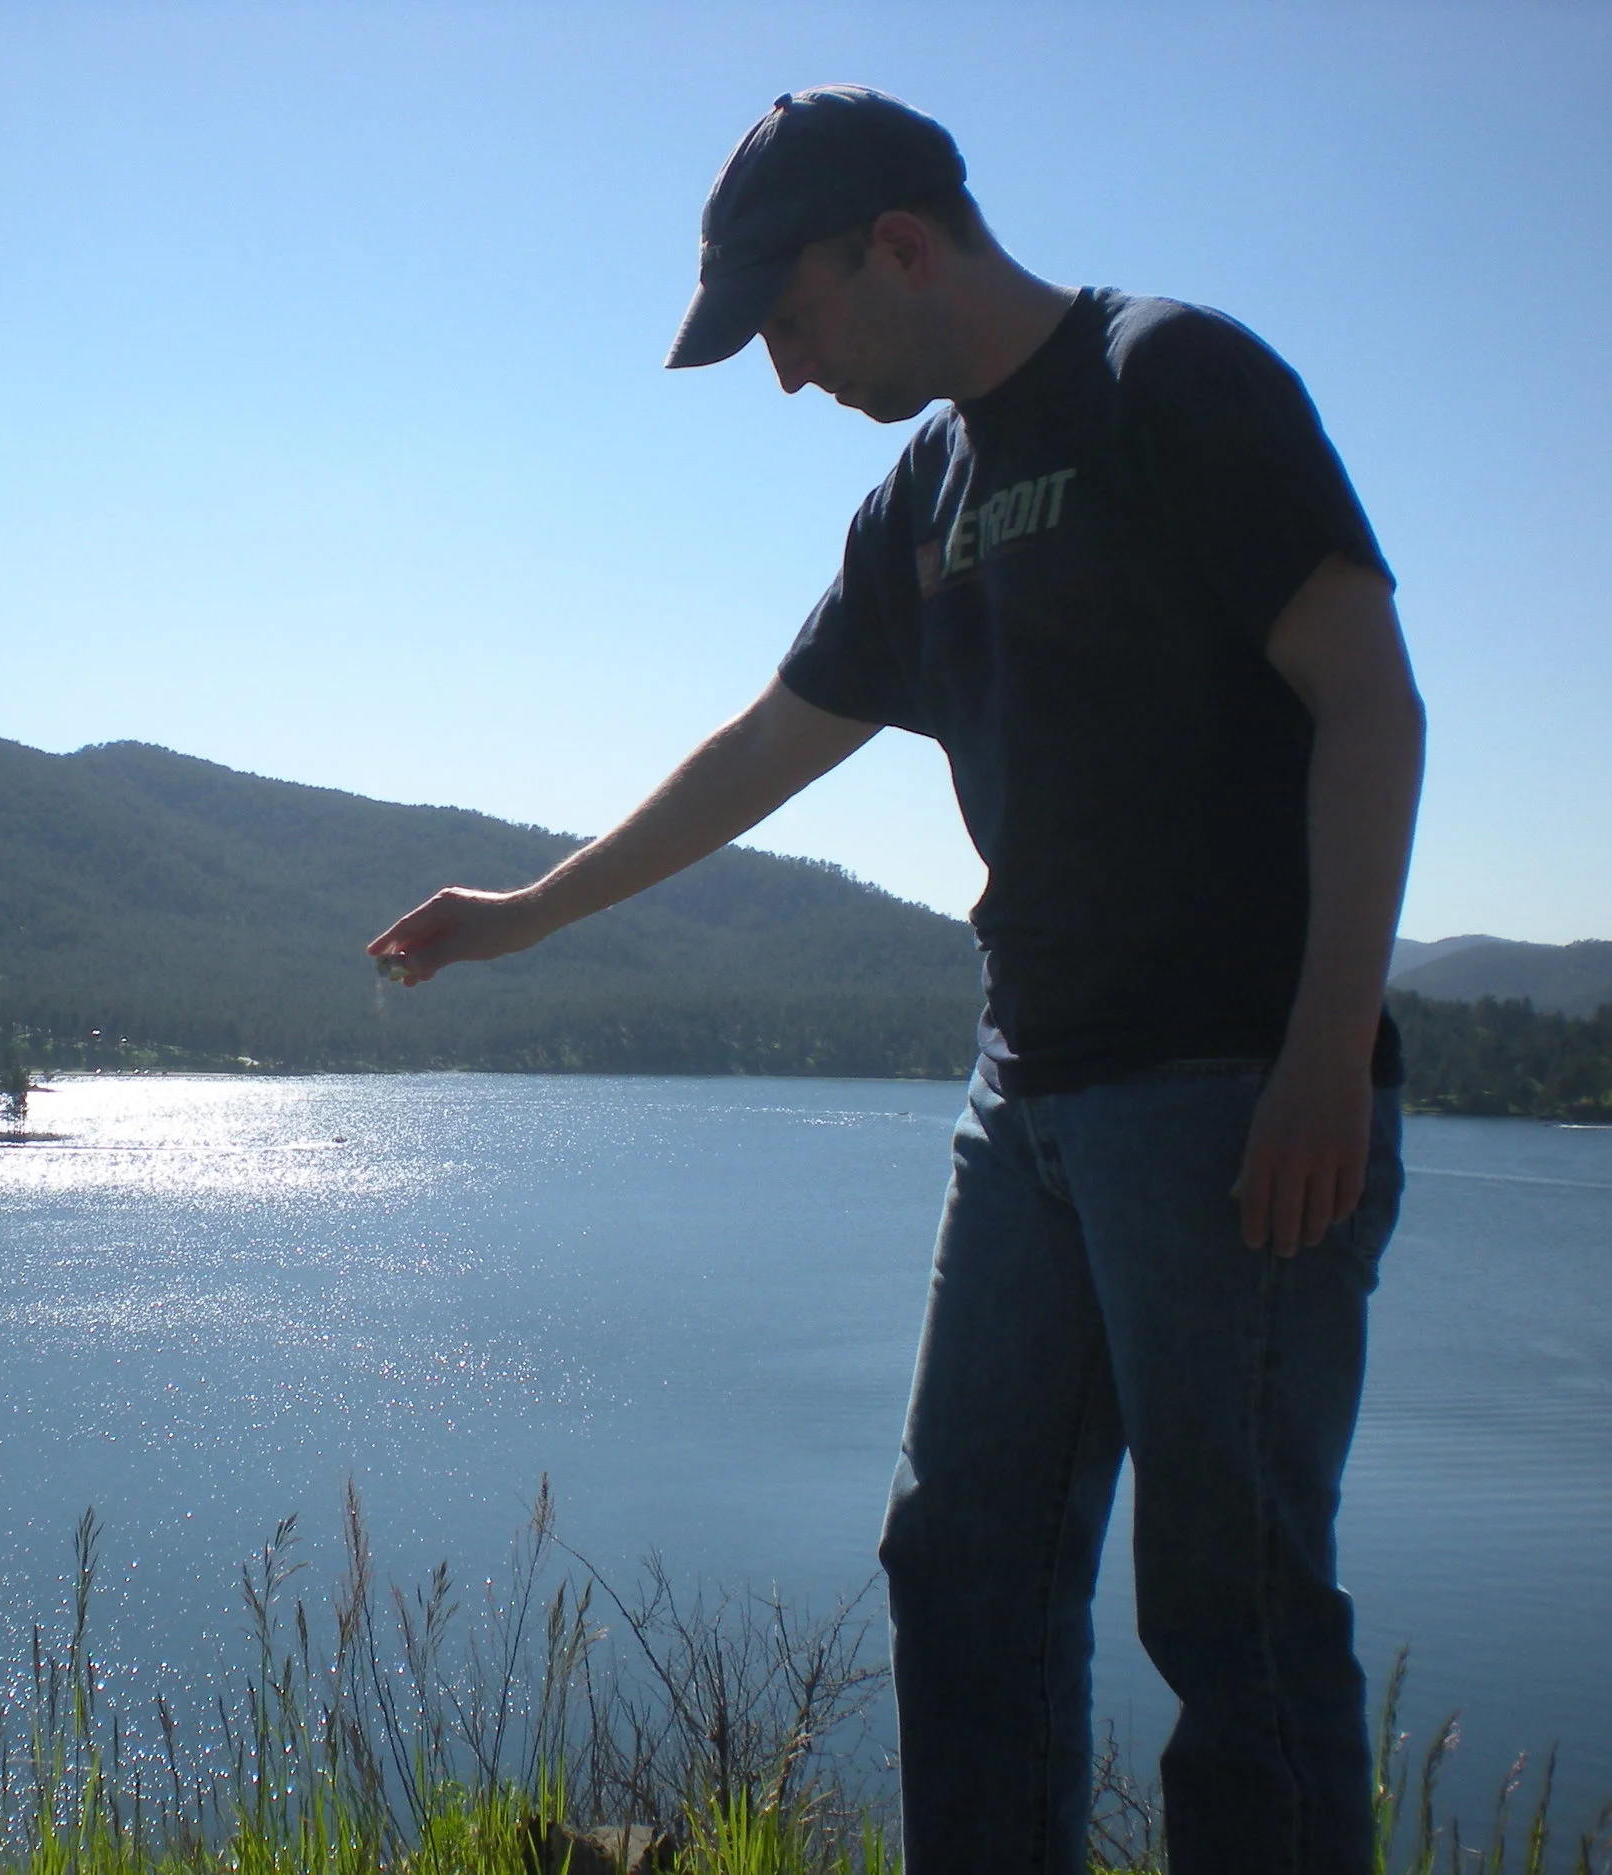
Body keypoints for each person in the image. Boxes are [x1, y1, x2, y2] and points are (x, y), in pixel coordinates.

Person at [367, 86, 1425, 1875]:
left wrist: (1328, 1048)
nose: (783, 374)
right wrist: (530, 910)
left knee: (1230, 1610)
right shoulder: (922, 496)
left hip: (1235, 1096)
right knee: (962, 1561)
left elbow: (1369, 700)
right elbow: (762, 747)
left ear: (901, 247)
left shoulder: (1172, 381)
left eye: (787, 320)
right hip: (1030, 1100)